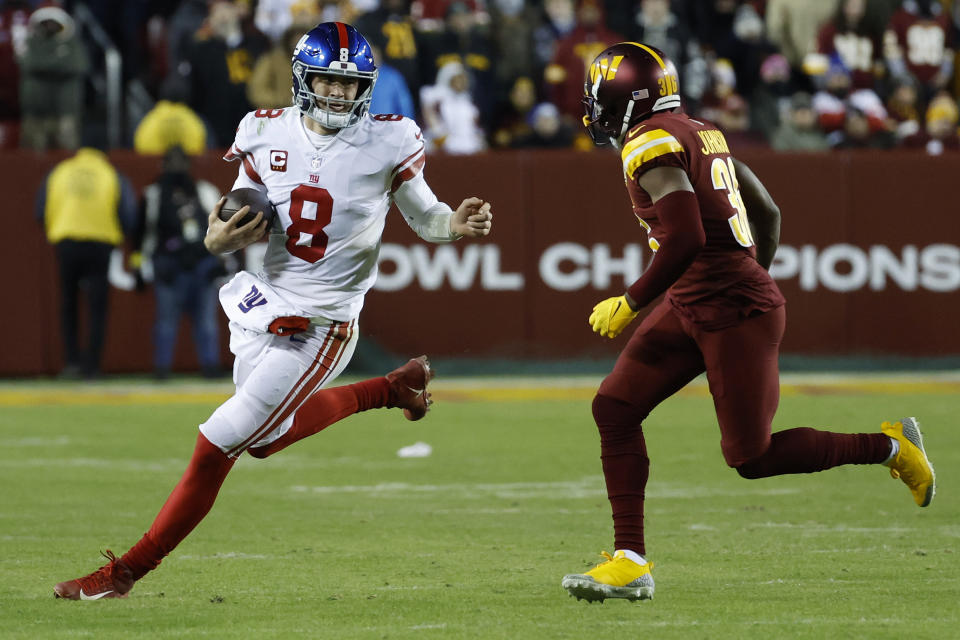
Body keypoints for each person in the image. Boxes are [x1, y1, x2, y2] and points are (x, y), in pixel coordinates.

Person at [53, 21, 493, 600]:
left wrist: (452, 226)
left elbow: (425, 214)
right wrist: (217, 239)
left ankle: (125, 571)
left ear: (364, 87)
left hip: (324, 321)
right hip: (266, 300)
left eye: (348, 83)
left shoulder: (391, 138)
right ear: (302, 80)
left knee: (219, 442)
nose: (337, 93)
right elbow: (233, 214)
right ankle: (392, 389)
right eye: (326, 81)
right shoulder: (263, 131)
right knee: (261, 439)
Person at [560, 42, 936, 603]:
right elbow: (767, 209)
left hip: (732, 309)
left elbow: (686, 236)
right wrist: (749, 267)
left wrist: (633, 300)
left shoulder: (651, 142)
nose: (594, 109)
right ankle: (630, 560)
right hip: (699, 299)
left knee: (751, 457)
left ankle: (889, 447)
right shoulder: (699, 129)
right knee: (614, 407)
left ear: (623, 99)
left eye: (599, 97)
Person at [36, 147, 138, 379]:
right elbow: (127, 214)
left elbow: (40, 209)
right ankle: (92, 366)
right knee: (97, 307)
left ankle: (71, 362)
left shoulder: (60, 171)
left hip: (66, 241)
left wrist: (57, 230)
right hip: (100, 243)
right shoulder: (111, 173)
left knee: (68, 304)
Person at [135, 146, 225, 379]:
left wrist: (222, 261)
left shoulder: (204, 191)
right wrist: (142, 265)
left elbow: (220, 229)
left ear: (188, 165)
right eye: (171, 163)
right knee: (166, 321)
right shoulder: (153, 194)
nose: (176, 168)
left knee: (206, 321)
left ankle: (210, 366)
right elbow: (142, 233)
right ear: (163, 166)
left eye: (180, 162)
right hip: (169, 265)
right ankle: (162, 368)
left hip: (201, 263)